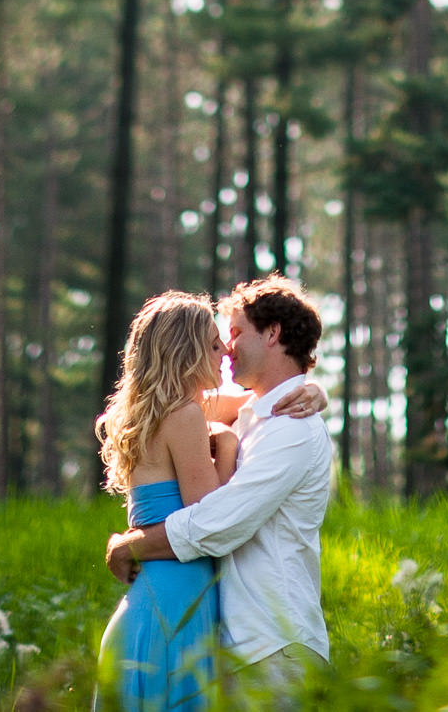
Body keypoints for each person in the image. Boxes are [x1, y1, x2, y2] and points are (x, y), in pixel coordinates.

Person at [107, 277, 335, 707]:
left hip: (273, 644)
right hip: (232, 643)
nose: (227, 349)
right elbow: (177, 399)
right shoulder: (255, 415)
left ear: (272, 334)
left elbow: (217, 523)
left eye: (233, 333)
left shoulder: (291, 429)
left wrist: (131, 546)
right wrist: (312, 388)